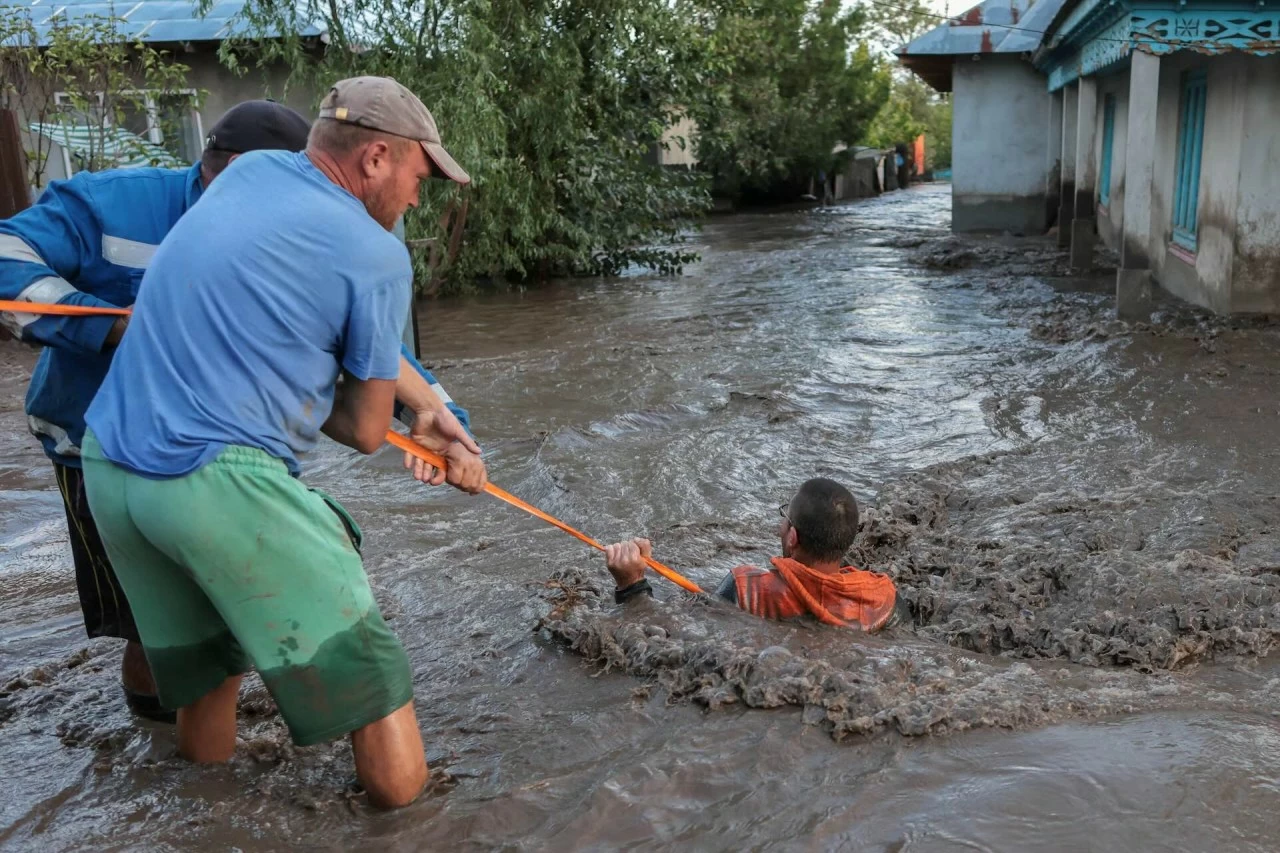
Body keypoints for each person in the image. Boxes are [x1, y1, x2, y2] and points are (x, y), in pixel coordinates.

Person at [80, 75, 484, 808]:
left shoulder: (252, 172)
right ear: (375, 159)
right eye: (420, 177)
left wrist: (427, 407)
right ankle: (417, 825)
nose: (420, 198)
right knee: (373, 679)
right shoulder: (378, 253)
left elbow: (266, 305)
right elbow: (363, 430)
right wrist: (406, 422)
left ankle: (215, 820)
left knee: (211, 677)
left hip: (111, 469)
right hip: (213, 480)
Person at [0, 100, 314, 721]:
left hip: (226, 451)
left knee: (238, 601)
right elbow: (5, 254)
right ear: (224, 173)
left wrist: (437, 416)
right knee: (150, 621)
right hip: (96, 446)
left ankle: (202, 739)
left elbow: (361, 346)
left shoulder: (293, 230)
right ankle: (160, 752)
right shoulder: (112, 204)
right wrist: (115, 327)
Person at [602, 478, 906, 632]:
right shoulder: (885, 599)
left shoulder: (745, 589)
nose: (781, 525)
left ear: (792, 536)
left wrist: (632, 587)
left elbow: (674, 635)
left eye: (785, 517)